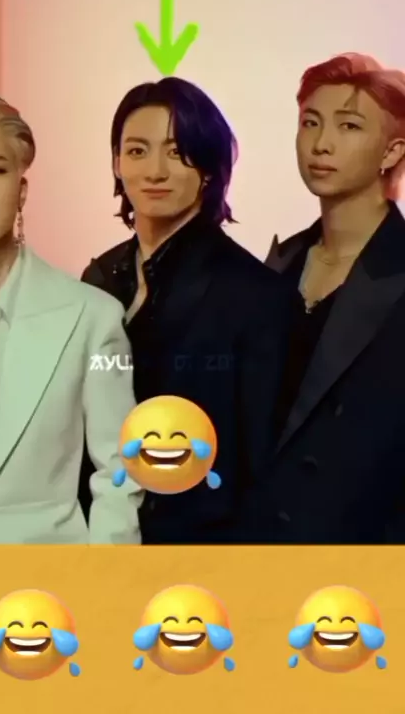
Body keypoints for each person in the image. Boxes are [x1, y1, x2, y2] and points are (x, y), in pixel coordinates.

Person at [80, 77, 293, 544]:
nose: (154, 171)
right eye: (137, 151)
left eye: (176, 153)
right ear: (116, 163)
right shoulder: (98, 279)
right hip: (101, 536)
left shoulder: (255, 294)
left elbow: (261, 465)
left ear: (210, 168)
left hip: (203, 550)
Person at [0, 96, 142, 544]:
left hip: (50, 582)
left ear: (21, 191)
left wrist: (105, 575)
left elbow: (120, 469)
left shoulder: (93, 319)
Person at [257, 52, 405, 543]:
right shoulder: (278, 266)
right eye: (310, 122)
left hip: (363, 554)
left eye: (349, 126)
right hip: (256, 544)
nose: (321, 143)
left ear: (392, 151)